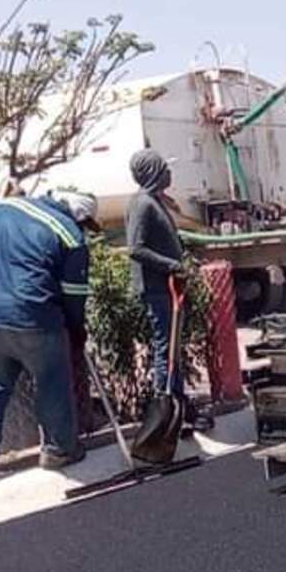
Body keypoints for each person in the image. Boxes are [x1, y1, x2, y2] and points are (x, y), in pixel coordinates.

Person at [0, 189, 100, 477]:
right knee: (52, 382)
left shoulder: (9, 207)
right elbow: (74, 295)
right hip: (35, 319)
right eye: (86, 223)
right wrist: (76, 330)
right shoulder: (71, 236)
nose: (85, 229)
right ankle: (58, 450)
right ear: (78, 215)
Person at [126, 149, 186, 397]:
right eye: (164, 169)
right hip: (157, 289)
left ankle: (178, 400)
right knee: (166, 349)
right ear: (153, 173)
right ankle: (166, 401)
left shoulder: (155, 201)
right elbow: (136, 249)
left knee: (173, 347)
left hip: (167, 288)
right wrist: (171, 265)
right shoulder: (142, 204)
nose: (169, 173)